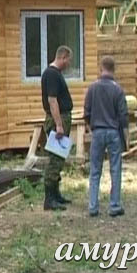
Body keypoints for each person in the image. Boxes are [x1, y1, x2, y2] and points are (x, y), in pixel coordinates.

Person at [84, 56, 128, 217]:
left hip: (97, 131)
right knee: (115, 169)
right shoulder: (118, 90)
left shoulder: (92, 88)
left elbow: (86, 112)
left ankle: (93, 206)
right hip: (113, 131)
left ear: (100, 68)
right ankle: (114, 205)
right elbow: (123, 115)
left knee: (95, 170)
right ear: (114, 69)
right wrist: (126, 135)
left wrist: (91, 128)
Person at [41, 45, 74, 211]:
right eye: (68, 60)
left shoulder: (55, 73)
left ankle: (56, 194)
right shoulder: (52, 74)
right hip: (57, 120)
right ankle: (49, 198)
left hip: (61, 118)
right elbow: (52, 100)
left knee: (59, 157)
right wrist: (59, 125)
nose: (69, 64)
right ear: (63, 57)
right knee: (55, 159)